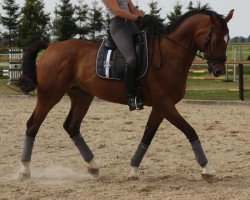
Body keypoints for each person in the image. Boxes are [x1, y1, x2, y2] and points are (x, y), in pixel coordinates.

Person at [102, 0, 152, 111]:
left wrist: (146, 17)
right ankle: (130, 97)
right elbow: (118, 11)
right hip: (119, 27)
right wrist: (137, 18)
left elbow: (133, 9)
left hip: (131, 26)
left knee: (148, 51)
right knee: (131, 60)